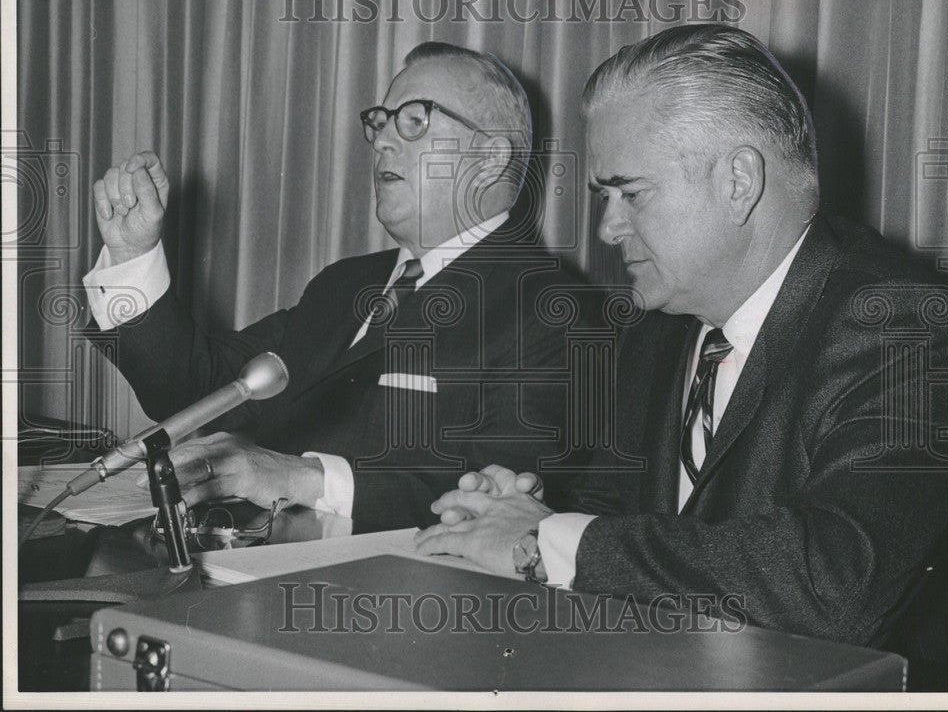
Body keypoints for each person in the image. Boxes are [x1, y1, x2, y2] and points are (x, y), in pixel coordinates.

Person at [416, 25, 948, 649]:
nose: (607, 228)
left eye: (630, 193)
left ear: (738, 180)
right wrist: (531, 508)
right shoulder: (659, 326)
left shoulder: (901, 321)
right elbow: (623, 506)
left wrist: (545, 540)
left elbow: (835, 582)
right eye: (606, 197)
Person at [83, 42, 607, 531]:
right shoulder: (345, 284)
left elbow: (497, 502)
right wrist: (133, 256)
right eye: (380, 122)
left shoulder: (554, 309)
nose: (381, 140)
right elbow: (194, 387)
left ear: (492, 158)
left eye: (414, 120)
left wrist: (297, 477)